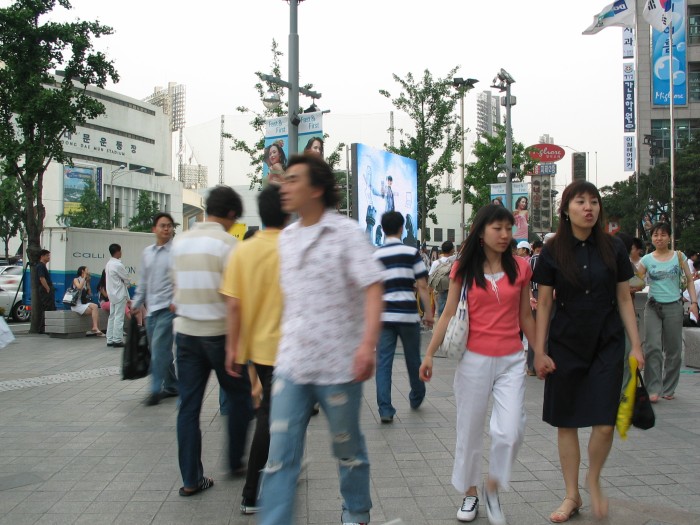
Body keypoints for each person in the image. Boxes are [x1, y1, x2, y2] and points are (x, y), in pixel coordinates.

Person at [257, 154, 383, 525]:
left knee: (347, 449)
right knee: (279, 455)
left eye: (293, 179)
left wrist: (366, 345)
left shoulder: (345, 234)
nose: (285, 185)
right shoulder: (286, 239)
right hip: (292, 365)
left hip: (339, 365)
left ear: (315, 189)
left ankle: (357, 512)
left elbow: (373, 287)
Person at [532, 180, 644, 522]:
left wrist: (636, 345)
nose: (588, 208)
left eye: (593, 202)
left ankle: (592, 479)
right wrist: (539, 350)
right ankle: (571, 495)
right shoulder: (552, 250)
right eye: (580, 202)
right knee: (566, 423)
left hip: (607, 343)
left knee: (605, 423)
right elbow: (546, 303)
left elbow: (625, 297)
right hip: (565, 345)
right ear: (566, 209)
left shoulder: (614, 248)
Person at [419, 204, 536, 525]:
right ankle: (470, 494)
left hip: (512, 359)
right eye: (497, 228)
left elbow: (526, 315)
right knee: (469, 430)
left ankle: (493, 487)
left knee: (510, 430)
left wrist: (540, 352)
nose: (504, 234)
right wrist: (429, 353)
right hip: (473, 361)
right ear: (481, 232)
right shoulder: (464, 268)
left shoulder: (521, 267)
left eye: (508, 228)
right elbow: (446, 313)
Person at [171, 185, 253, 498]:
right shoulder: (229, 245)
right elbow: (235, 299)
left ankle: (191, 478)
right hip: (220, 336)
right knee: (241, 397)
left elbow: (175, 290)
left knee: (188, 409)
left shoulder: (180, 242)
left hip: (186, 336)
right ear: (231, 214)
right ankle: (234, 461)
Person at [221, 184, 290, 515]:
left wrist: (233, 348)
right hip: (289, 348)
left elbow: (233, 306)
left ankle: (271, 480)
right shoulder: (293, 248)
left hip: (257, 350)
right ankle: (252, 493)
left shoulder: (243, 251)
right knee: (271, 418)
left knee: (271, 414)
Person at [374, 211, 433, 424]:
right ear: (401, 228)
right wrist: (428, 313)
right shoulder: (411, 253)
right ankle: (416, 396)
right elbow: (423, 286)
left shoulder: (376, 255)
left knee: (383, 362)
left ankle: (385, 409)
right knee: (412, 359)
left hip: (384, 316)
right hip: (408, 315)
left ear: (382, 229)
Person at [636, 221, 698, 403]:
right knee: (653, 347)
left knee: (674, 349)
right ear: (652, 238)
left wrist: (694, 302)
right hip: (653, 306)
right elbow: (636, 281)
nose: (659, 238)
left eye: (663, 235)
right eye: (655, 235)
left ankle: (669, 387)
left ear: (669, 237)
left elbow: (689, 281)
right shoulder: (646, 259)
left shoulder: (679, 257)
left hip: (674, 306)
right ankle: (653, 388)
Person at [131, 213, 178, 406]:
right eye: (162, 225)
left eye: (169, 226)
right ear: (154, 229)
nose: (166, 229)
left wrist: (176, 300)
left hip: (168, 308)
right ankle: (174, 385)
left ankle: (154, 390)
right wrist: (136, 302)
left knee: (159, 350)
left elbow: (180, 279)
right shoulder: (147, 253)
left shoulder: (177, 252)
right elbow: (143, 281)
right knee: (158, 350)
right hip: (151, 310)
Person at [105, 244, 130, 348]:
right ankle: (117, 339)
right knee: (119, 317)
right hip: (119, 293)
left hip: (111, 294)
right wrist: (127, 284)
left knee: (112, 316)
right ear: (118, 252)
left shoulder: (108, 264)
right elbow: (126, 278)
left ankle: (110, 339)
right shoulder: (118, 265)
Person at [70, 266, 104, 336]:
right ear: (83, 271)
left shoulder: (84, 281)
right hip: (76, 305)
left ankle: (96, 328)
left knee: (95, 309)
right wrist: (84, 278)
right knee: (95, 308)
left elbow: (89, 293)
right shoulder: (76, 279)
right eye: (87, 270)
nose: (89, 272)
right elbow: (79, 287)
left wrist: (88, 282)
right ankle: (95, 328)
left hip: (82, 304)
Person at [428, 241, 456, 319]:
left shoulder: (436, 263)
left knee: (441, 314)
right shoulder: (455, 262)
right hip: (453, 290)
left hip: (439, 291)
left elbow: (430, 278)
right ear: (452, 250)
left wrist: (431, 292)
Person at [35, 249, 55, 333]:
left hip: (45, 288)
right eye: (47, 255)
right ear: (42, 256)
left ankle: (44, 327)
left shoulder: (42, 266)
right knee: (48, 308)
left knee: (49, 307)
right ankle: (44, 328)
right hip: (44, 289)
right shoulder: (40, 266)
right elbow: (41, 278)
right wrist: (47, 288)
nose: (49, 257)